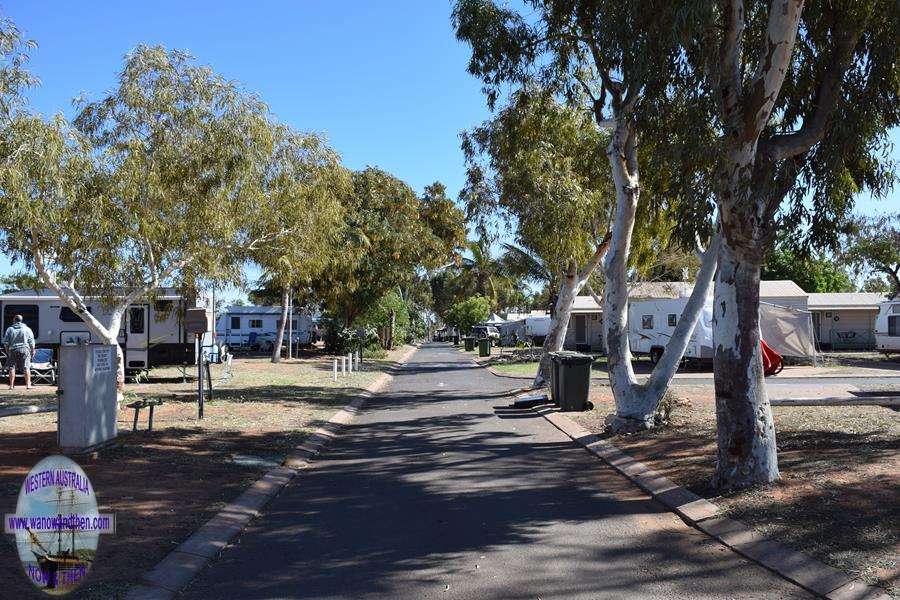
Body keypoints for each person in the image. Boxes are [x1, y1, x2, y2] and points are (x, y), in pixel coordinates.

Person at [4, 314, 36, 390]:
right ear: (21, 320)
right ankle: (28, 385)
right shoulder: (27, 329)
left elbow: (6, 342)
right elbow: (31, 341)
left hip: (13, 349)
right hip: (25, 349)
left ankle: (11, 386)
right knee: (26, 367)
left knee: (12, 368)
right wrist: (32, 350)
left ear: (14, 320)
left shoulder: (10, 329)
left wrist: (7, 351)